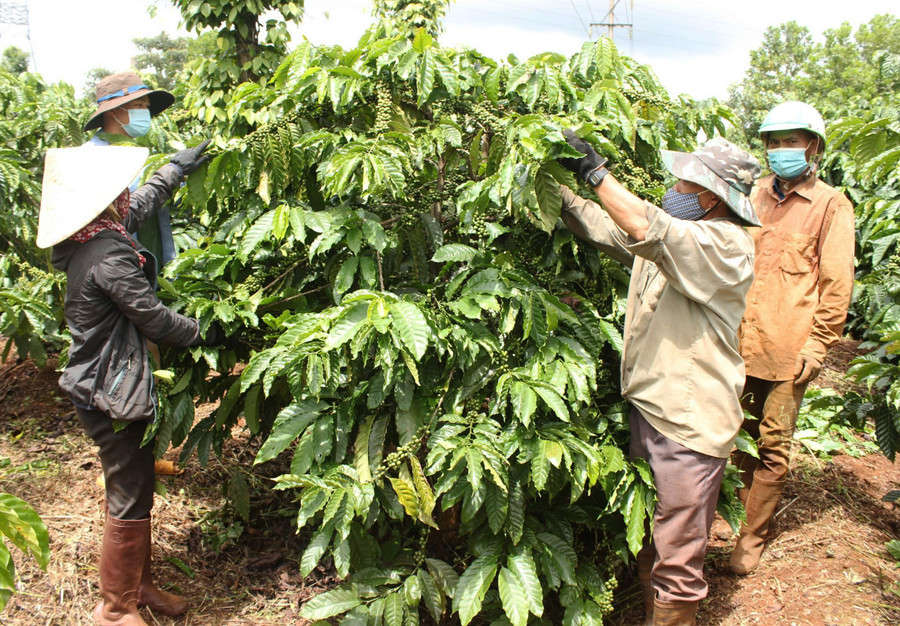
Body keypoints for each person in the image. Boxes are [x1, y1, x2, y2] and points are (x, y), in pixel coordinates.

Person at [557, 130, 761, 625]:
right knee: (654, 535)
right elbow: (611, 228)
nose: (672, 189)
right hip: (653, 407)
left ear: (710, 197)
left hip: (689, 423)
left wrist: (594, 171)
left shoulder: (724, 245)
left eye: (682, 183)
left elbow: (645, 223)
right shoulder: (676, 243)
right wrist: (554, 186)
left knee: (679, 554)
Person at [36, 142, 213, 626]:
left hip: (106, 381)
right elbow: (153, 318)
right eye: (119, 190)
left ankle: (140, 587)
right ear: (102, 200)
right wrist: (206, 332)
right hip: (110, 390)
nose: (126, 195)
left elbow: (141, 203)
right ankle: (115, 609)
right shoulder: (107, 251)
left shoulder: (94, 232)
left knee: (137, 483)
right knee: (129, 492)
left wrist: (174, 170)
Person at [729, 101, 855, 575]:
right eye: (774, 142)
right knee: (735, 433)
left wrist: (818, 345)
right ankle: (734, 514)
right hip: (738, 342)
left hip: (788, 348)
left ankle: (752, 537)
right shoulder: (752, 195)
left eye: (791, 142)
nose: (782, 151)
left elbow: (837, 282)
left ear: (813, 147)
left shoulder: (830, 205)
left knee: (772, 442)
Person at [83, 71, 179, 268]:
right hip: (119, 267)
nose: (144, 112)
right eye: (138, 105)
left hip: (155, 256)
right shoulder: (89, 158)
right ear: (113, 111)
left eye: (146, 106)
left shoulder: (140, 154)